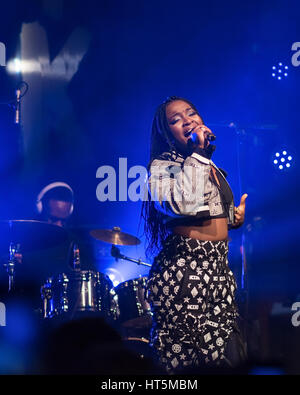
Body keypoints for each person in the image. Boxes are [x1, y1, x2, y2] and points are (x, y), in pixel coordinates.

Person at [142, 96, 248, 374]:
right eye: (176, 120)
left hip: (218, 272)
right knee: (186, 363)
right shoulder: (163, 167)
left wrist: (232, 219)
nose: (187, 120)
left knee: (228, 357)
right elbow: (183, 204)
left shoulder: (210, 166)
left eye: (191, 113)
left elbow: (209, 215)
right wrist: (199, 155)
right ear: (167, 134)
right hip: (184, 274)